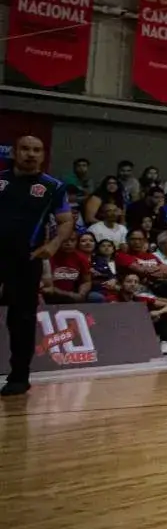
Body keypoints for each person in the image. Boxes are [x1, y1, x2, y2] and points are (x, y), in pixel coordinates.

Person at [2, 136, 71, 395]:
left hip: (27, 259)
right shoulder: (1, 180)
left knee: (21, 319)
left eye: (36, 150)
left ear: (43, 155)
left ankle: (19, 376)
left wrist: (52, 246)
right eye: (25, 149)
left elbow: (65, 221)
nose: (31, 154)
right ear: (15, 151)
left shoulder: (53, 187)